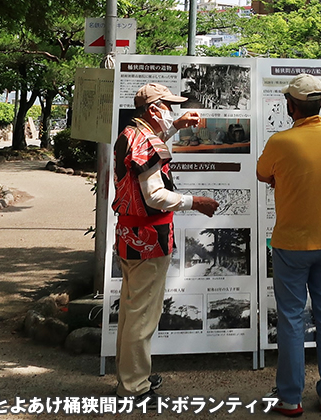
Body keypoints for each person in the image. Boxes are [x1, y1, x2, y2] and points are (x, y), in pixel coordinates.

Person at [112, 83, 219, 404]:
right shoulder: (145, 140)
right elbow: (155, 195)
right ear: (154, 109)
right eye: (168, 107)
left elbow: (145, 160)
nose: (171, 111)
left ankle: (129, 377)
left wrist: (175, 126)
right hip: (149, 239)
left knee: (132, 310)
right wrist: (195, 201)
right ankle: (134, 387)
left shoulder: (130, 134)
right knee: (143, 315)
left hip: (129, 236)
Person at [256, 74, 321, 417]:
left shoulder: (280, 142)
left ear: (291, 106)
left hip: (292, 244)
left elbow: (263, 174)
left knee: (292, 319)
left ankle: (291, 397)